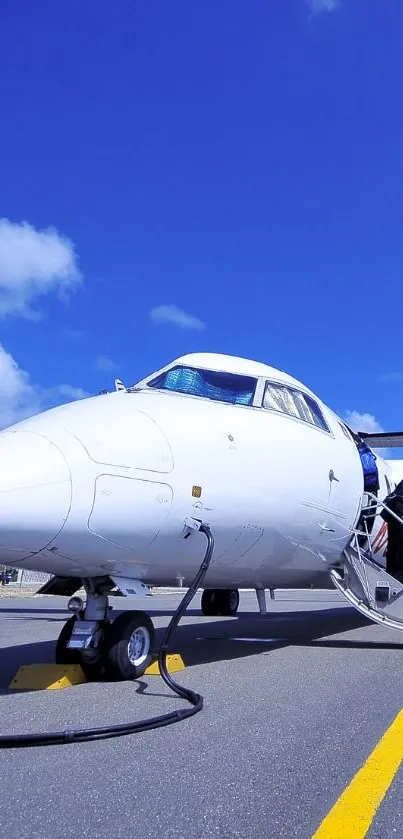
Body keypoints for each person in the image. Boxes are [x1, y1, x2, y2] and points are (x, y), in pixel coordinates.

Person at [380, 480, 403, 582]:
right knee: (397, 548)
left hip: (394, 511)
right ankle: (396, 578)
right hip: (397, 511)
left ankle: (393, 577)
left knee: (394, 546)